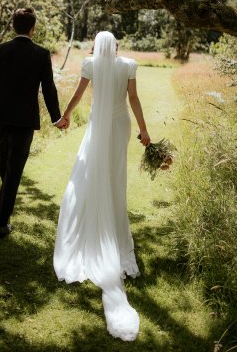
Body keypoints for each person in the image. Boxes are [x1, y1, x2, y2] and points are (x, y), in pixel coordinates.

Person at [53, 31, 150, 341]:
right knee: (115, 178)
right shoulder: (129, 65)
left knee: (90, 175)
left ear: (96, 46)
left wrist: (64, 116)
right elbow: (133, 98)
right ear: (117, 47)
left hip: (98, 127)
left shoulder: (90, 64)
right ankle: (115, 233)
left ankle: (97, 228)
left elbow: (80, 95)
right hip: (121, 125)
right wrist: (145, 133)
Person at [0, 8, 68, 239]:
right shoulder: (41, 54)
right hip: (24, 120)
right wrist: (56, 117)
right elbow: (48, 88)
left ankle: (3, 215)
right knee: (13, 170)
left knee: (7, 165)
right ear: (33, 28)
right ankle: (0, 223)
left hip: (0, 117)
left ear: (13, 26)